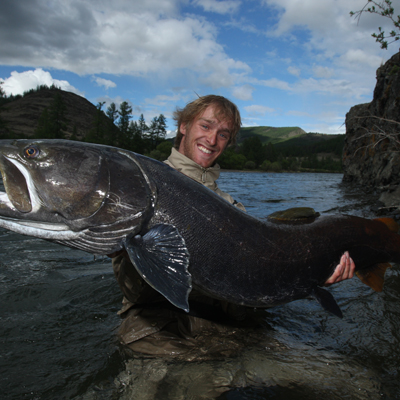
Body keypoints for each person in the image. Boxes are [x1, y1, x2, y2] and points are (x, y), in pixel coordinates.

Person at [112, 95, 355, 356]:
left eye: (223, 134)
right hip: (158, 332)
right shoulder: (141, 187)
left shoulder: (233, 209)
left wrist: (314, 276)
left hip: (228, 331)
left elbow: (254, 292)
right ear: (184, 126)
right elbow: (131, 288)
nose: (212, 140)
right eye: (205, 126)